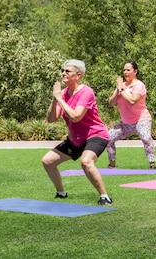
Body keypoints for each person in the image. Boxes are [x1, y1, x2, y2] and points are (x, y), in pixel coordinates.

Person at [41, 59, 113, 205]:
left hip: (96, 134)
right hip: (76, 138)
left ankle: (104, 197)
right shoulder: (63, 94)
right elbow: (51, 119)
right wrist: (55, 100)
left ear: (79, 75)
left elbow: (75, 116)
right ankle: (61, 194)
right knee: (47, 161)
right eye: (63, 71)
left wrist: (60, 99)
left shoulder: (86, 92)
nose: (63, 74)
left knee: (86, 162)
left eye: (67, 71)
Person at [106, 61, 156, 169]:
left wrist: (122, 89)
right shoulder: (122, 86)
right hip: (125, 123)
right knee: (108, 139)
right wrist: (117, 89)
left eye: (128, 70)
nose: (125, 72)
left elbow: (132, 101)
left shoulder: (139, 85)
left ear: (135, 71)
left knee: (146, 138)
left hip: (141, 119)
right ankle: (112, 165)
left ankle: (152, 165)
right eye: (124, 70)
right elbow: (111, 103)